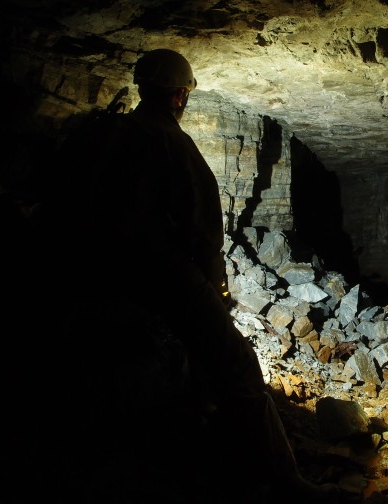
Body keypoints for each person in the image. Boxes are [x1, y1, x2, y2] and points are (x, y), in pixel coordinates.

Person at [27, 48, 343, 503]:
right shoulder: (171, 143)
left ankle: (195, 434)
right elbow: (202, 228)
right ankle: (284, 479)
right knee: (237, 365)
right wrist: (215, 289)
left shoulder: (105, 133)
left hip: (98, 271)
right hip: (162, 272)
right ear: (179, 95)